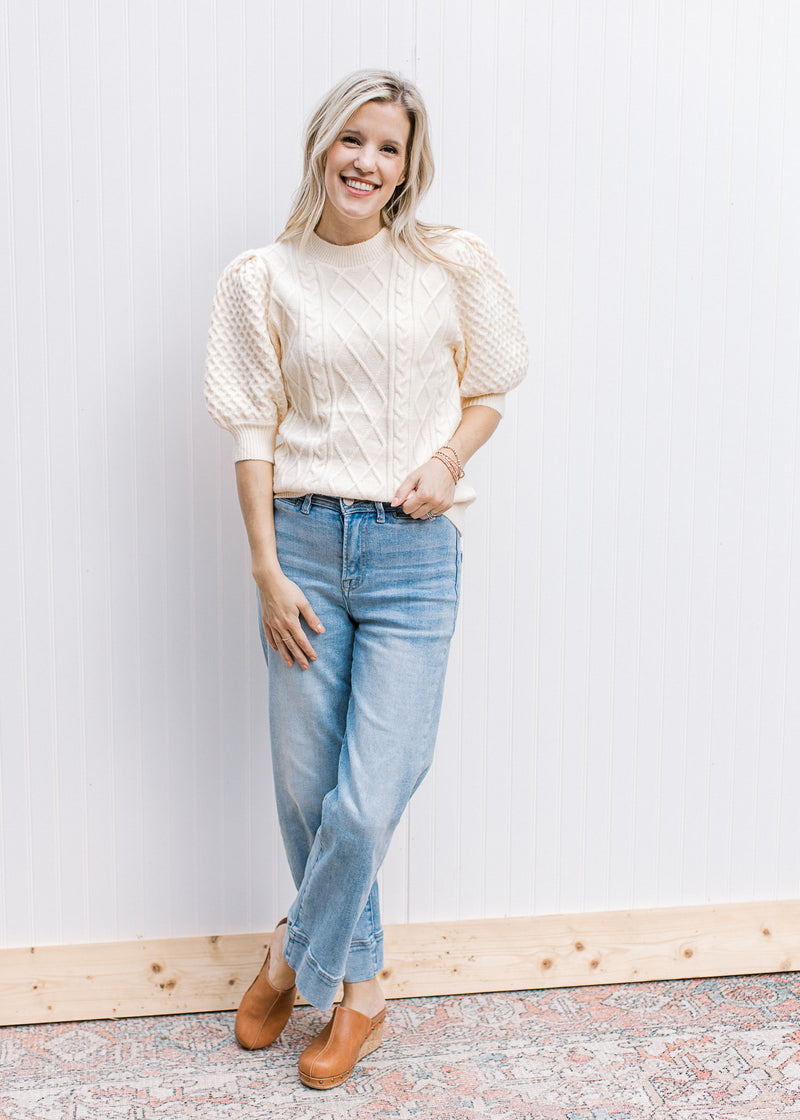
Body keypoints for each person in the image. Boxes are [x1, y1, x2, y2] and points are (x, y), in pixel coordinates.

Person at [204, 69, 528, 1089]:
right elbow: (252, 431)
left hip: (410, 555)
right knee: (308, 791)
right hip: (299, 545)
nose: (365, 162)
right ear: (320, 145)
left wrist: (446, 461)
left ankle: (286, 955)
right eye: (352, 139)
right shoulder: (261, 277)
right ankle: (362, 995)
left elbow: (489, 385)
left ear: (407, 165)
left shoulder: (447, 262)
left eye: (386, 147)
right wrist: (263, 567)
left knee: (366, 796)